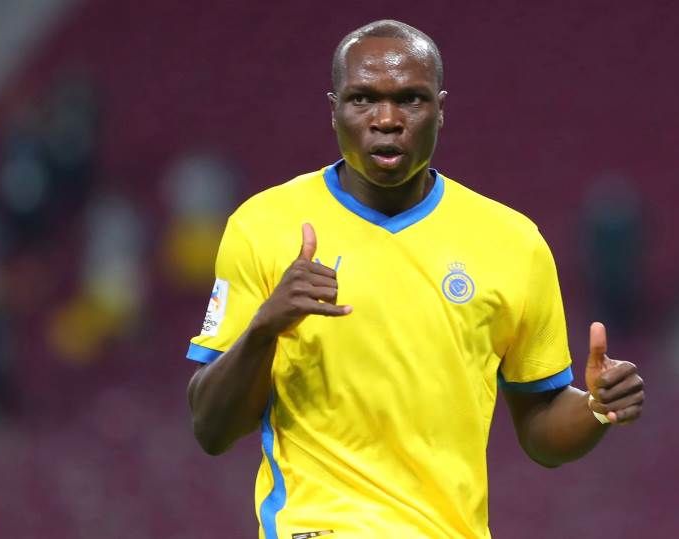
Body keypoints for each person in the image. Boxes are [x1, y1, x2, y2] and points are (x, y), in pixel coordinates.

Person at [185, 19, 645, 538]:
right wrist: (264, 327)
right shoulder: (263, 226)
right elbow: (211, 429)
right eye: (363, 99)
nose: (386, 120)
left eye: (410, 100)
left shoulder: (513, 243)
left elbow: (541, 430)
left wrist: (596, 409)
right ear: (333, 108)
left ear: (440, 109)